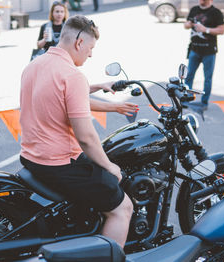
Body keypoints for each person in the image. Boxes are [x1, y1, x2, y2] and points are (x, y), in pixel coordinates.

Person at [20, 15, 137, 248]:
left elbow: (58, 95)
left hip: (32, 157)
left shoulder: (34, 66)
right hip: (59, 163)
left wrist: (94, 86)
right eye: (91, 48)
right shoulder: (72, 76)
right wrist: (109, 166)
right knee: (123, 208)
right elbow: (86, 138)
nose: (91, 54)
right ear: (79, 43)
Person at [184, 0, 224, 110]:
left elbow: (221, 30)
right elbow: (186, 25)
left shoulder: (216, 12)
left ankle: (204, 103)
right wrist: (188, 24)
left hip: (209, 52)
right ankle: (186, 100)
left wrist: (205, 30)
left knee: (207, 79)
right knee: (188, 76)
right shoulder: (194, 9)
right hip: (194, 49)